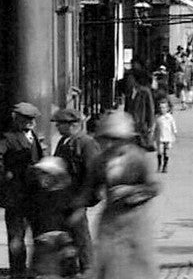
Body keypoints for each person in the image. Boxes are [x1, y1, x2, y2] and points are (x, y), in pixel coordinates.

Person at [86, 112, 159, 278]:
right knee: (107, 265)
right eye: (106, 139)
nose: (110, 144)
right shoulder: (100, 161)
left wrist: (130, 191)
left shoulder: (139, 158)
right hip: (110, 220)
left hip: (135, 220)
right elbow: (90, 190)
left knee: (135, 267)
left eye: (116, 139)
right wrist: (75, 208)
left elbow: (153, 187)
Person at [50, 108, 100, 275]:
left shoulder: (85, 143)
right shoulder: (64, 141)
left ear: (73, 125)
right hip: (63, 197)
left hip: (77, 197)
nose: (57, 127)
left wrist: (85, 198)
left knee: (80, 235)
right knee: (67, 235)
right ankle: (70, 269)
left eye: (60, 124)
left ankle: (88, 268)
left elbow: (93, 173)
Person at [1, 102, 45, 276]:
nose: (30, 122)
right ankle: (18, 273)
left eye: (32, 119)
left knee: (38, 236)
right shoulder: (8, 138)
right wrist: (7, 178)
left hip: (33, 196)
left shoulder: (33, 136)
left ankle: (34, 271)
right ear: (16, 119)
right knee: (16, 238)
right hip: (16, 198)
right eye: (26, 119)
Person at [126, 69, 157, 152]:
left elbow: (150, 108)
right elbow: (128, 107)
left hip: (142, 122)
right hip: (132, 122)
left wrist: (150, 123)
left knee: (141, 146)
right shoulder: (130, 91)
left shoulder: (144, 91)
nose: (128, 81)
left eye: (130, 79)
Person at [152, 99, 178, 173]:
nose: (162, 109)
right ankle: (159, 164)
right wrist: (152, 134)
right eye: (160, 108)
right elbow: (154, 126)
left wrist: (175, 133)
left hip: (168, 137)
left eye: (164, 108)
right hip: (159, 137)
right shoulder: (157, 117)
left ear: (167, 108)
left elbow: (173, 126)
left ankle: (165, 165)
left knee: (166, 152)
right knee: (159, 151)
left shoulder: (170, 117)